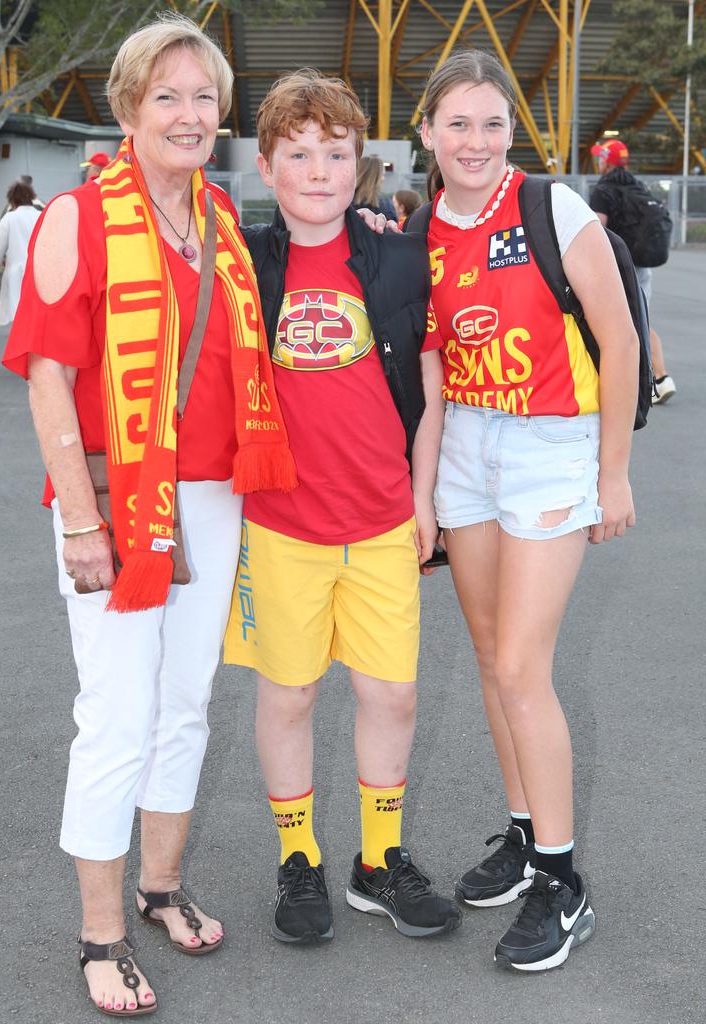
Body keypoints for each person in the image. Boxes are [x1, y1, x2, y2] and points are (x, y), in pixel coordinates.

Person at [2, 14, 295, 1018]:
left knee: (185, 701)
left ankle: (161, 887)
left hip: (212, 496)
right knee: (118, 714)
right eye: (166, 95)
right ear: (128, 110)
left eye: (204, 96)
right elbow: (48, 381)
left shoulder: (218, 217)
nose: (189, 113)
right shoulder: (76, 219)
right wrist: (82, 521)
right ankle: (99, 933)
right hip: (119, 502)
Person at [223, 69, 459, 946]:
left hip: (383, 518)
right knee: (287, 697)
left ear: (359, 162)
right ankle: (299, 860)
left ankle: (378, 861)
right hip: (282, 525)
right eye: (298, 153)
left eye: (334, 152)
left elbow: (429, 386)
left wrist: (424, 497)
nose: (317, 170)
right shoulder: (244, 258)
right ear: (266, 165)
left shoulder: (395, 253)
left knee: (390, 694)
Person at [418, 50, 637, 971]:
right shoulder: (415, 226)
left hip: (553, 447)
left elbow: (620, 337)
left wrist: (613, 472)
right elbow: (424, 359)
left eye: (493, 123)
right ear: (426, 131)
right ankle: (521, 832)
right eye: (458, 123)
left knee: (521, 665)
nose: (476, 141)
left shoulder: (553, 209)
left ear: (513, 131)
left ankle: (562, 880)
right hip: (466, 445)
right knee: (485, 654)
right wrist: (421, 484)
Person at [589, 138, 676, 405]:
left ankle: (643, 381)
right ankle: (661, 379)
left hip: (616, 265)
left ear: (605, 161)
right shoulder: (637, 185)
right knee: (642, 318)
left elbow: (597, 231)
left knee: (620, 324)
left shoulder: (603, 190)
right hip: (641, 263)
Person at [0, 181, 42, 326]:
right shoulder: (42, 216)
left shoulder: (9, 219)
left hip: (17, 277)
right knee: (39, 324)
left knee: (20, 324)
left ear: (12, 200)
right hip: (41, 275)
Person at [354, 153, 398, 221]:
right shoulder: (385, 204)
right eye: (383, 175)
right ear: (377, 177)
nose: (384, 179)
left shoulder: (344, 201)